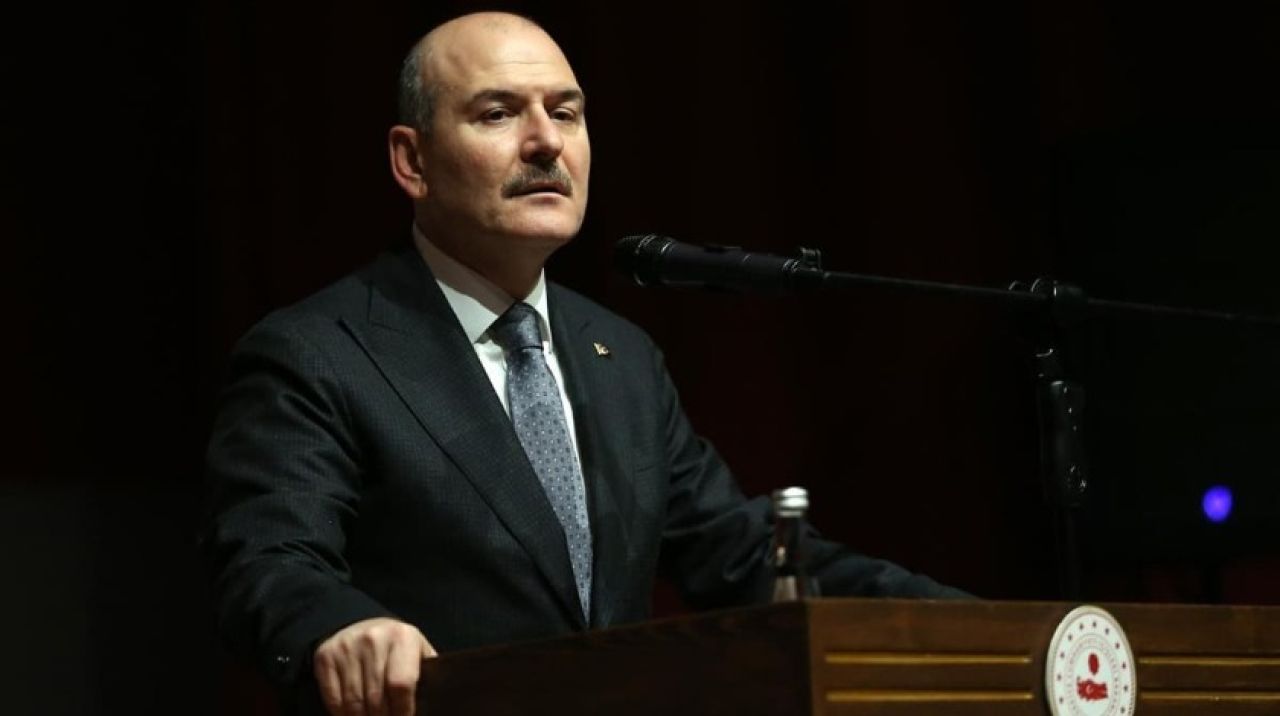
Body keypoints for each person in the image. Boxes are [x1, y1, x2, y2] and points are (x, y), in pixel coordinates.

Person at [202, 11, 967, 716]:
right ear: (412, 160)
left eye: (565, 113)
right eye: (498, 114)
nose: (546, 142)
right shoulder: (318, 353)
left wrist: (956, 619)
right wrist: (339, 625)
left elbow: (738, 553)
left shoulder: (620, 355)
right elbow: (269, 560)